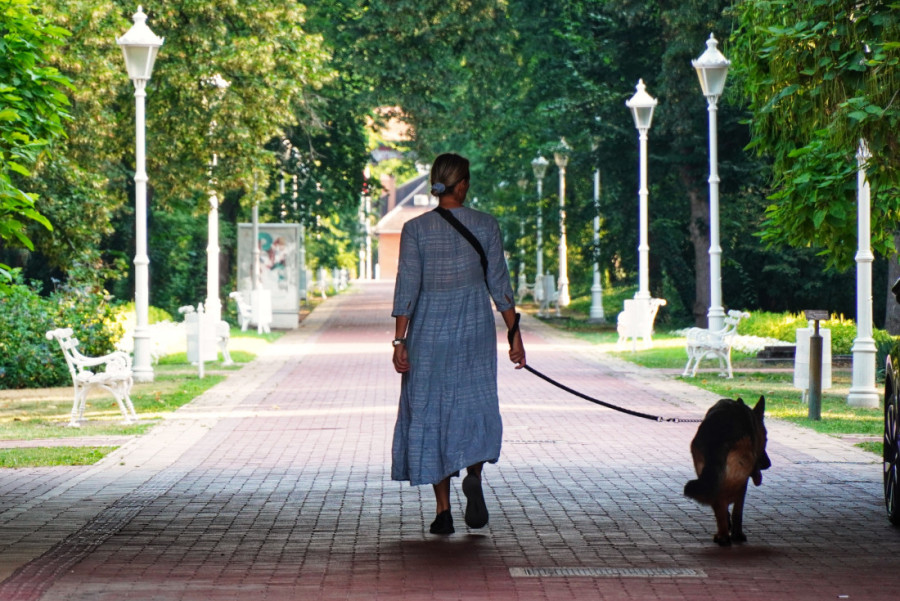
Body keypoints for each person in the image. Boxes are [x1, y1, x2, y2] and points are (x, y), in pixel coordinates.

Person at [391, 152, 526, 535]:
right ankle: (475, 473)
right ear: (463, 184)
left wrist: (400, 341)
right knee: (473, 405)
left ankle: (443, 511)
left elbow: (407, 288)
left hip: (428, 336)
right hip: (474, 332)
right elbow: (500, 287)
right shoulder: (486, 225)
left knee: (432, 412)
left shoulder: (415, 229)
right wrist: (515, 337)